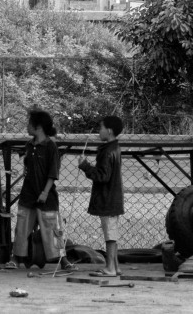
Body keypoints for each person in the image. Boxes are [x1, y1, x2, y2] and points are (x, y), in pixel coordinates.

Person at [5, 110, 72, 270]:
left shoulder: (51, 147)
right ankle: (15, 258)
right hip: (28, 194)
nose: (27, 126)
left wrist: (45, 192)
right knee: (21, 227)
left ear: (38, 127)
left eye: (29, 123)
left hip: (46, 195)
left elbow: (52, 173)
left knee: (53, 228)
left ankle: (63, 260)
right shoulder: (29, 145)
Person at [79, 115, 124, 277]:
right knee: (112, 232)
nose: (99, 131)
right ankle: (115, 267)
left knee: (110, 235)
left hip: (108, 198)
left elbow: (102, 176)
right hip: (114, 197)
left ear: (109, 131)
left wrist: (85, 166)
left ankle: (110, 268)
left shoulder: (107, 152)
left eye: (101, 128)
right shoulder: (114, 148)